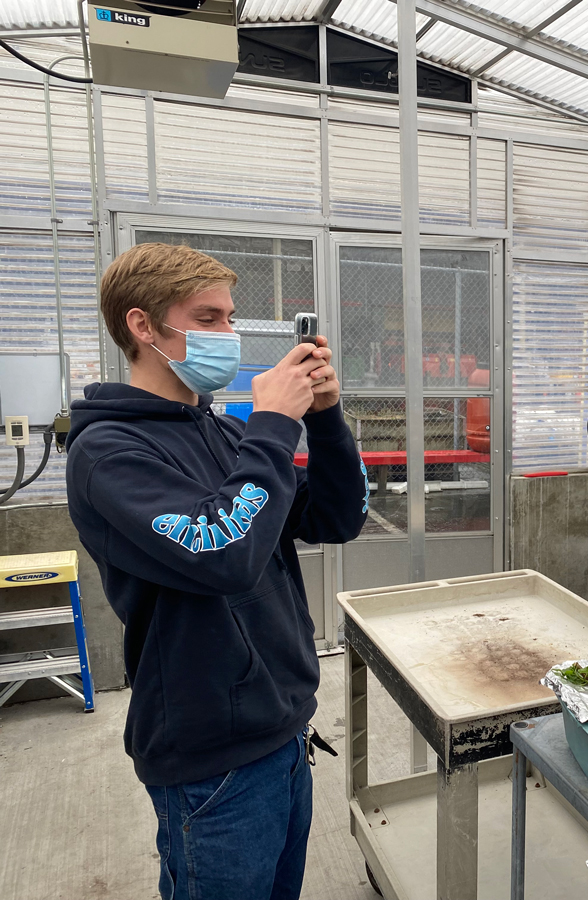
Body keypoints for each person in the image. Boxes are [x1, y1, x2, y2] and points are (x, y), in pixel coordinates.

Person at [65, 242, 368, 900]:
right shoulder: (108, 452)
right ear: (142, 326)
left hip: (284, 731)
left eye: (230, 319)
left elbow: (334, 521)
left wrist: (325, 420)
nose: (227, 335)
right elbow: (221, 551)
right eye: (208, 319)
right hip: (212, 763)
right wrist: (271, 424)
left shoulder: (227, 434)